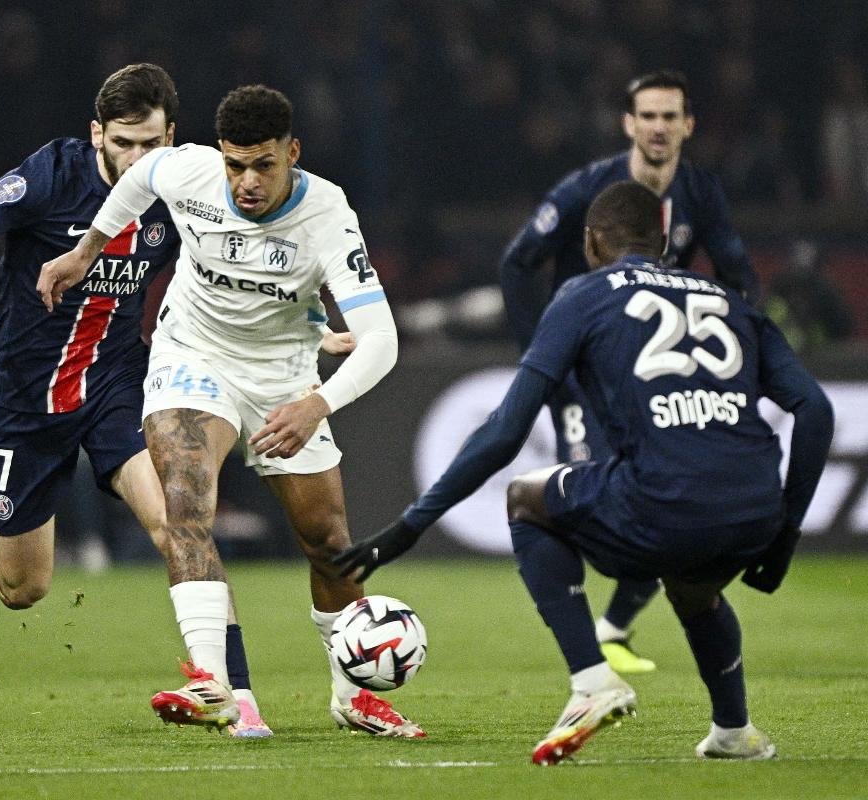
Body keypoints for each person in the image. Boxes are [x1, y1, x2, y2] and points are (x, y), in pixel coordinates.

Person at [335, 181, 833, 763]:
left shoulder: (583, 294)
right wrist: (786, 531)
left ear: (592, 242)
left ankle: (592, 681)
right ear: (665, 243)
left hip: (661, 498)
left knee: (526, 496)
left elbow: (504, 430)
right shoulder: (730, 300)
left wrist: (410, 526)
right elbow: (815, 410)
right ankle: (734, 732)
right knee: (694, 587)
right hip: (752, 510)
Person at [37, 85, 423, 737]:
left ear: (291, 154)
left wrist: (316, 402)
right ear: (219, 154)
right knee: (185, 505)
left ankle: (352, 696)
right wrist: (87, 251)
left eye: (263, 165)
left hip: (285, 379)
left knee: (328, 543)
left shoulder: (326, 214)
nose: (246, 181)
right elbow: (139, 179)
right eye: (235, 164)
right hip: (193, 356)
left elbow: (381, 338)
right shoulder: (186, 168)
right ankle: (213, 685)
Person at [0, 64, 276, 738]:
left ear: (175, 137)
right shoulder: (50, 177)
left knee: (179, 520)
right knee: (25, 588)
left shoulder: (186, 188)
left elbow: (265, 247)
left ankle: (234, 694)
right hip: (25, 399)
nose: (139, 160)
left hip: (118, 390)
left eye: (153, 145)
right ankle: (0, 545)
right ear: (97, 136)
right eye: (125, 144)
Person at [497, 69, 762, 674]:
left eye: (671, 116)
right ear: (628, 124)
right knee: (600, 492)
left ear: (689, 125)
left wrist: (748, 347)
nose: (659, 127)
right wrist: (542, 353)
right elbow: (517, 264)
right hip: (583, 375)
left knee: (658, 494)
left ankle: (610, 632)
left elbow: (739, 273)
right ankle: (591, 643)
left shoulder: (699, 191)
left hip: (650, 374)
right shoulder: (586, 190)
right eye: (648, 116)